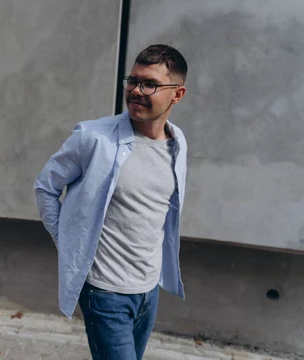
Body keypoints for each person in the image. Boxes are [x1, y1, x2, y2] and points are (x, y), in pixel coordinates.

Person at [34, 44, 189, 359]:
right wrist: (66, 241)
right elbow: (45, 187)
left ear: (177, 94)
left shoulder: (178, 142)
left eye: (149, 84)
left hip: (148, 290)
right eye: (132, 81)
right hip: (105, 291)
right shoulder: (93, 138)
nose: (135, 91)